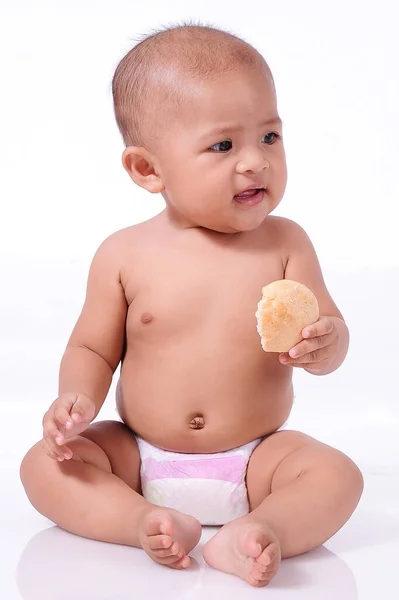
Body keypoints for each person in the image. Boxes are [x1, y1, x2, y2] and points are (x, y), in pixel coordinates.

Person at [20, 24, 363, 588]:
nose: (255, 161)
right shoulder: (124, 254)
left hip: (257, 460)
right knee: (44, 466)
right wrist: (75, 398)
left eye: (270, 138)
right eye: (224, 145)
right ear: (148, 169)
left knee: (337, 475)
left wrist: (326, 344)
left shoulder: (287, 243)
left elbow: (329, 329)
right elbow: (91, 347)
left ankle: (258, 531)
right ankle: (143, 521)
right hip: (138, 455)